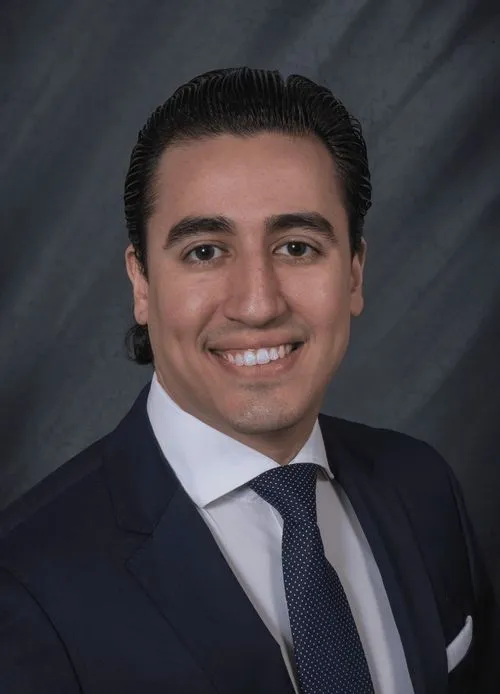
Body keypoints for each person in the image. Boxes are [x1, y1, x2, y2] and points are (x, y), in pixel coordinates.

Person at [0, 67, 498, 694]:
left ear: (353, 273)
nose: (258, 304)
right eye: (205, 251)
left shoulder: (423, 488)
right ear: (142, 284)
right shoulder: (25, 587)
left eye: (297, 247)